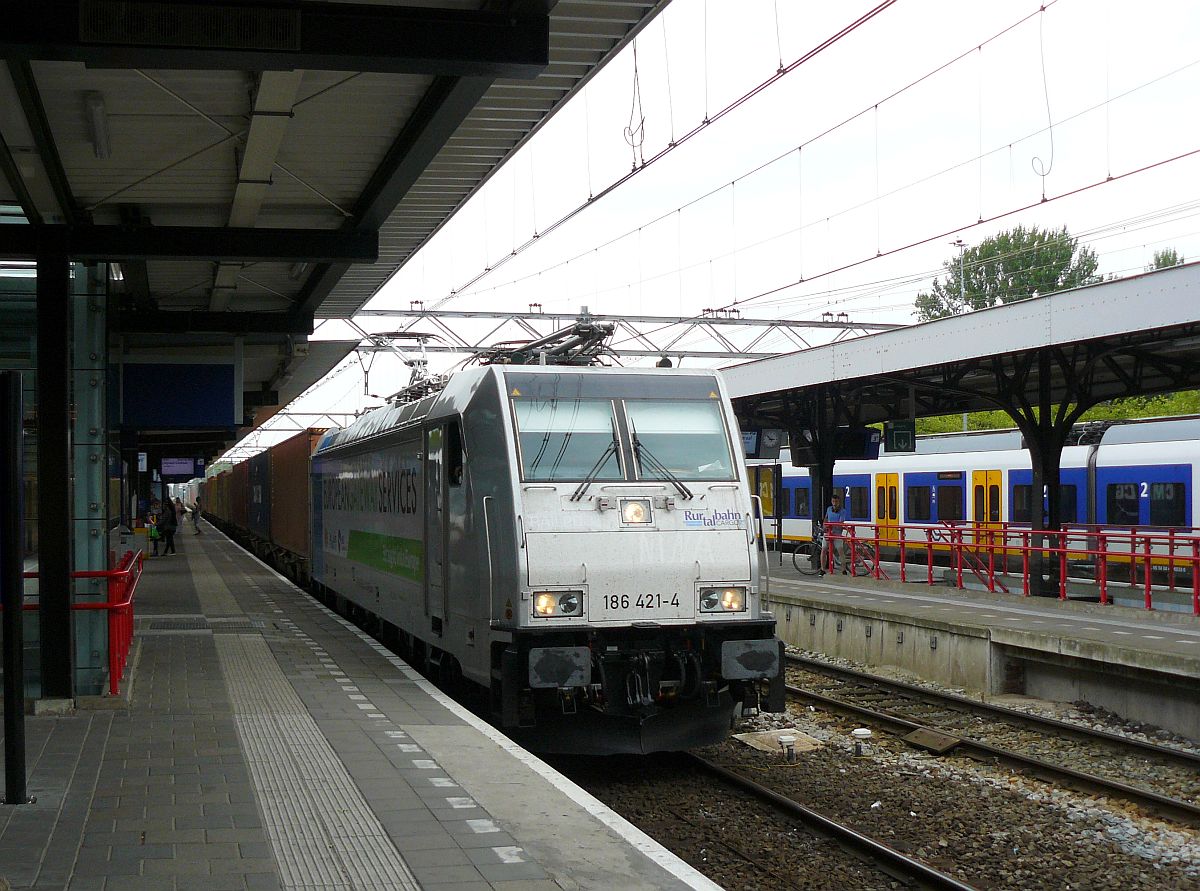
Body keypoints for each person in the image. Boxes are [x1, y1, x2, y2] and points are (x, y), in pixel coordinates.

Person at [821, 491, 848, 575]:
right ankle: (822, 569)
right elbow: (826, 518)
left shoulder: (842, 511)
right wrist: (824, 526)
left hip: (837, 533)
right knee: (824, 550)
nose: (834, 503)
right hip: (828, 533)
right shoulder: (829, 509)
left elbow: (841, 522)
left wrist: (832, 526)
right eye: (833, 501)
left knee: (840, 551)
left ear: (839, 502)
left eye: (836, 501)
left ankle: (844, 570)